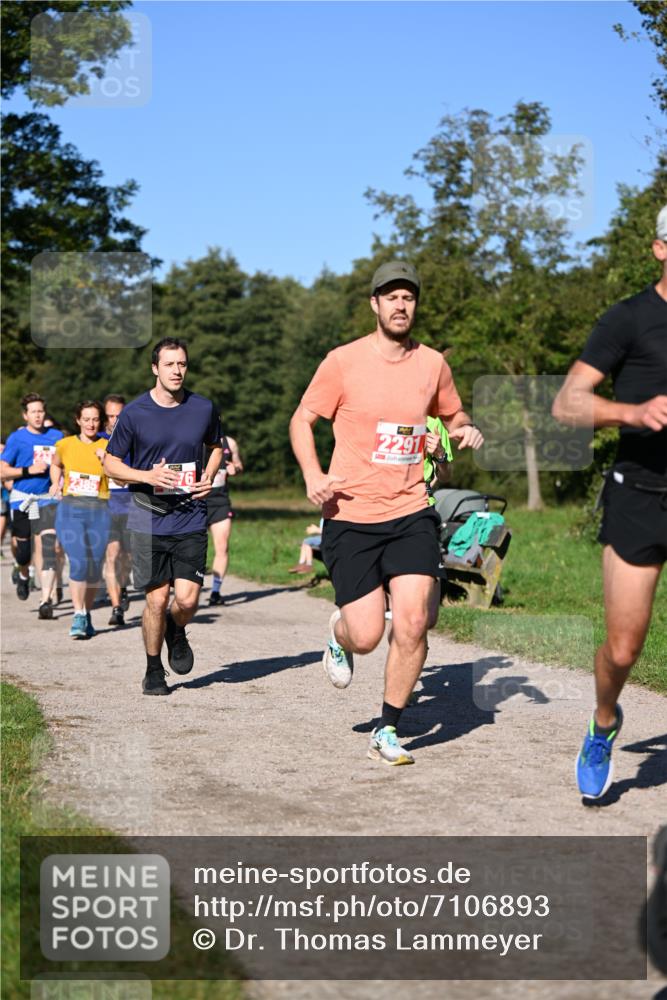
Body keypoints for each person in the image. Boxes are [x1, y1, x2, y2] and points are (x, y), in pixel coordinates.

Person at [289, 260, 483, 765]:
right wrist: (313, 476)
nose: (401, 305)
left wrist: (462, 426)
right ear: (374, 304)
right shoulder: (343, 361)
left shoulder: (433, 363)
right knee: (369, 634)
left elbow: (451, 412)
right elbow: (301, 420)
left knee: (416, 619)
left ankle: (387, 728)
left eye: (409, 297)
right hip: (351, 513)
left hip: (412, 508)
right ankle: (338, 635)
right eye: (391, 297)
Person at [552, 205, 667, 800]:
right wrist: (633, 412)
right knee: (623, 648)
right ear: (660, 249)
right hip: (641, 497)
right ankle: (603, 723)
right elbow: (567, 404)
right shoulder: (629, 319)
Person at [104, 338, 222, 696]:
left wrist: (209, 477)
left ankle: (176, 627)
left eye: (182, 364)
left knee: (186, 600)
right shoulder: (135, 413)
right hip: (147, 515)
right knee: (155, 599)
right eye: (169, 364)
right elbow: (111, 464)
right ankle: (154, 670)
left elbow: (216, 448)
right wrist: (147, 477)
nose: (177, 370)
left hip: (190, 515)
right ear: (155, 368)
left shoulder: (203, 408)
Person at [50, 400, 111, 638]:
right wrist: (56, 481)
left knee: (94, 568)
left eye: (95, 419)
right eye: (86, 419)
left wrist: (106, 459)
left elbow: (123, 479)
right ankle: (78, 614)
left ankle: (86, 613)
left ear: (101, 421)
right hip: (71, 509)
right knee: (79, 562)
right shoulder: (64, 444)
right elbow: (56, 465)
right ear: (78, 420)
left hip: (100, 510)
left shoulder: (109, 445)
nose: (91, 424)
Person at [0, 393, 63, 612]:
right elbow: (2, 470)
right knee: (24, 551)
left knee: (49, 547)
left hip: (47, 500)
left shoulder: (56, 436)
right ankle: (24, 573)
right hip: (22, 501)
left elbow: (64, 464)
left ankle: (45, 600)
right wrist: (28, 470)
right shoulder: (17, 439)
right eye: (33, 412)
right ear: (25, 415)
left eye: (41, 411)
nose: (38, 416)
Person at [101, 395, 132, 626]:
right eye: (110, 416)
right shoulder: (97, 441)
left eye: (118, 416)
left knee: (126, 557)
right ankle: (116, 607)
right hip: (106, 506)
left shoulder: (135, 439)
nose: (114, 420)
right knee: (112, 555)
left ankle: (122, 587)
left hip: (132, 505)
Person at [207, 432, 243, 605]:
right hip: (194, 502)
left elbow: (238, 464)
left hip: (219, 502)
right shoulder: (191, 437)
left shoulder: (230, 443)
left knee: (222, 547)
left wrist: (235, 468)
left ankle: (215, 592)